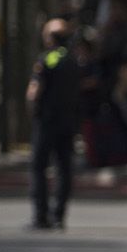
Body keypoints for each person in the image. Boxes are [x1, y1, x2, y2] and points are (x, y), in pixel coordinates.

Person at [27, 18, 81, 230]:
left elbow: (34, 91)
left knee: (39, 167)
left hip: (47, 120)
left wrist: (32, 109)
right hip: (68, 120)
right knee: (64, 167)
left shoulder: (47, 58)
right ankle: (59, 215)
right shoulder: (73, 59)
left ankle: (41, 216)